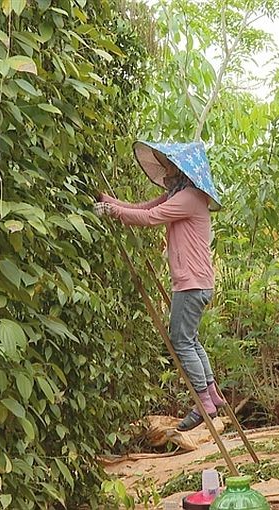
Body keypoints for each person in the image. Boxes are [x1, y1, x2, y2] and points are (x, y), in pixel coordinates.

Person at [94, 141, 224, 431]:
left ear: (181, 170)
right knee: (190, 340)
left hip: (191, 283)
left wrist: (111, 213)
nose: (165, 171)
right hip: (195, 281)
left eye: (169, 165)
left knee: (180, 341)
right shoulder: (178, 195)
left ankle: (202, 402)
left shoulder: (189, 197)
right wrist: (109, 201)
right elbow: (142, 207)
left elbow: (150, 218)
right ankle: (212, 395)